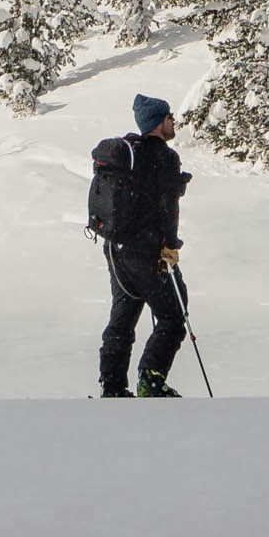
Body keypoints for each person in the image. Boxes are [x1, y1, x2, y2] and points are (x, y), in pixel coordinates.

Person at [99, 90, 189, 398]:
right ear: (159, 122)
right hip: (146, 252)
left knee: (123, 317)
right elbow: (167, 207)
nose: (173, 122)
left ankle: (112, 387)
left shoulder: (131, 154)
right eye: (169, 118)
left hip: (116, 249)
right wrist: (171, 245)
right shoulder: (165, 156)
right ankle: (150, 381)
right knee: (174, 317)